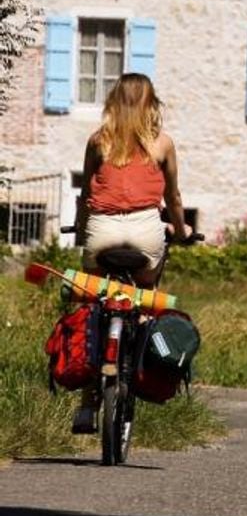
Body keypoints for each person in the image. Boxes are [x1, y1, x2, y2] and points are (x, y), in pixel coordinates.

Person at [72, 72, 191, 433]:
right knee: (145, 297)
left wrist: (81, 231)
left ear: (114, 102)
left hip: (101, 231)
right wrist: (181, 230)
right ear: (151, 105)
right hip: (144, 230)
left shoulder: (97, 141)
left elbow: (85, 195)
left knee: (92, 302)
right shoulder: (163, 144)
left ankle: (89, 402)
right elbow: (172, 198)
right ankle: (139, 354)